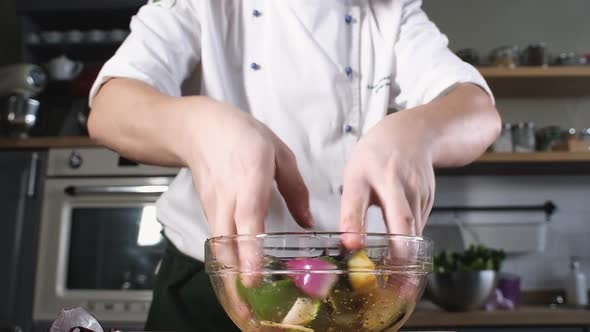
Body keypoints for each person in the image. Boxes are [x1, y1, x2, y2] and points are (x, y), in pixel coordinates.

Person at [88, 0, 501, 330]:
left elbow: (478, 112)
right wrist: (196, 126)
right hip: (213, 286)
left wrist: (420, 131)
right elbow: (110, 107)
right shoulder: (200, 6)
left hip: (357, 290)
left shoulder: (389, 12)